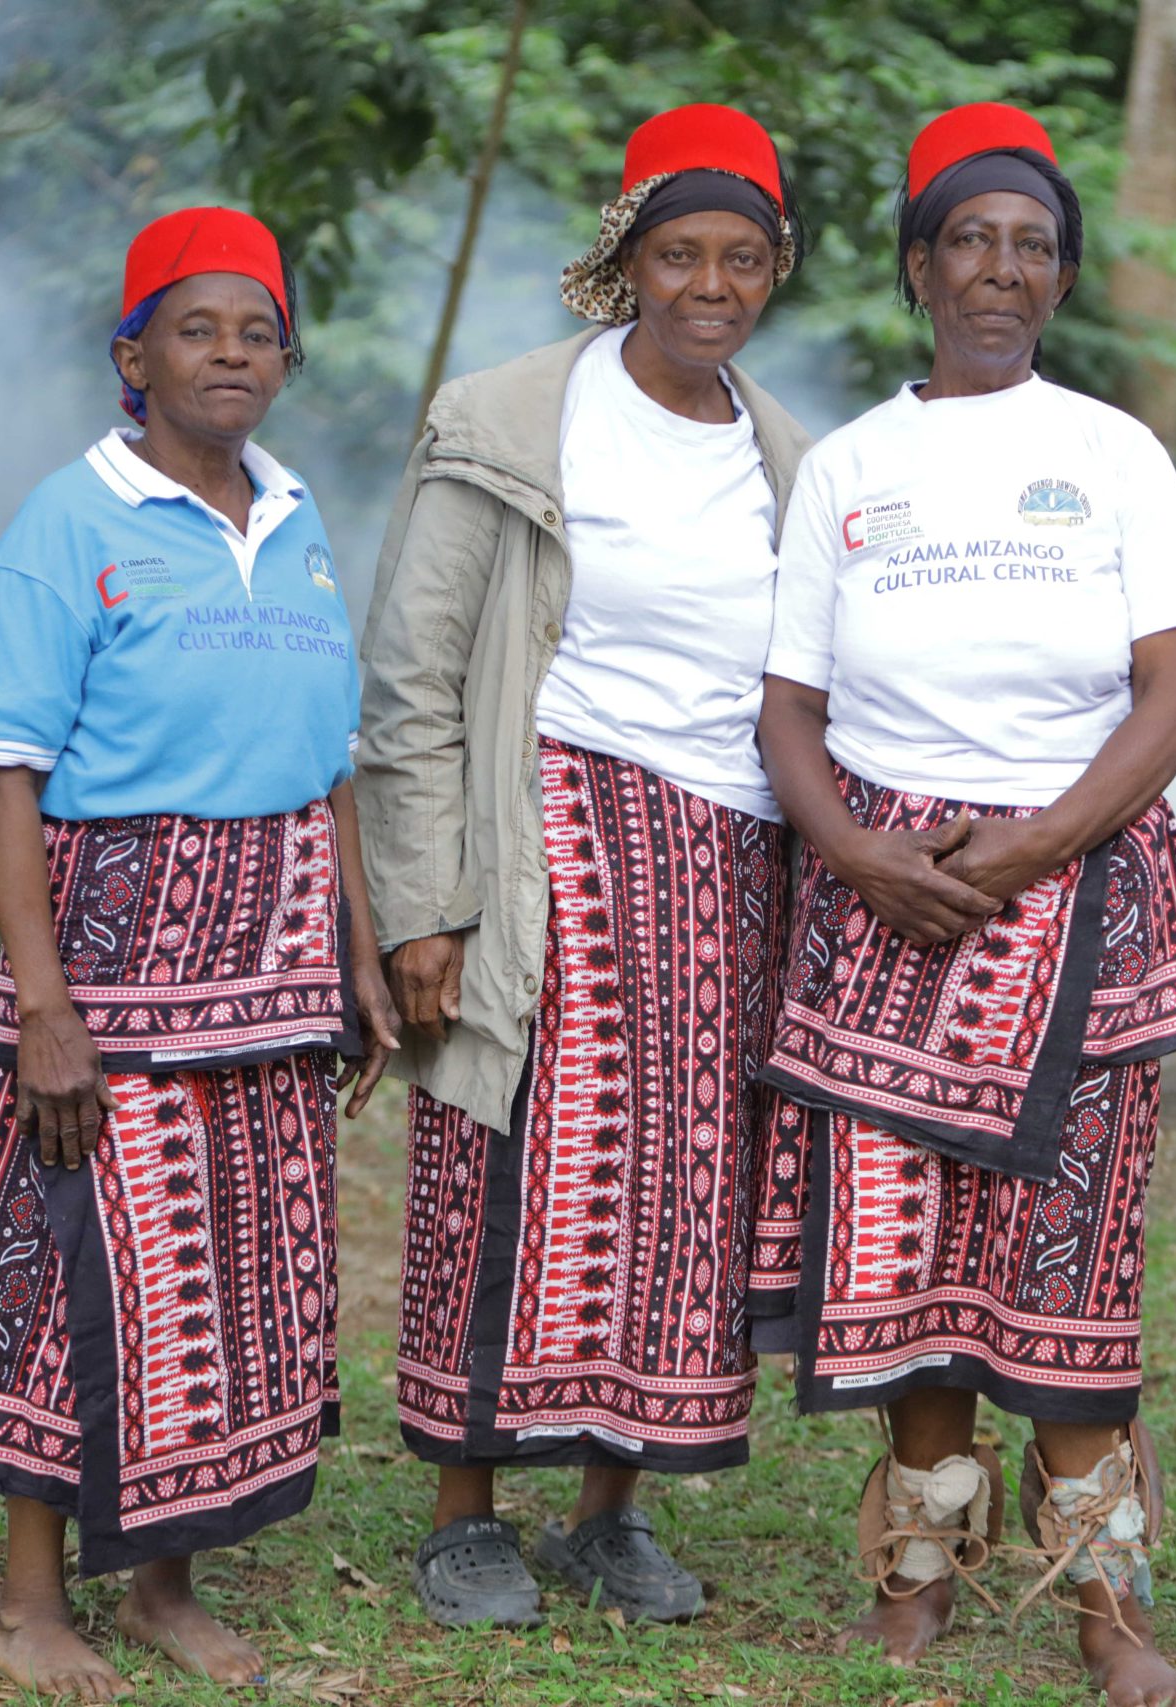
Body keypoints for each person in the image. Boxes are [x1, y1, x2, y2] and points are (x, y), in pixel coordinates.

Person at [750, 102, 1176, 1707]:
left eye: (1033, 245)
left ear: (1063, 279)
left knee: (1073, 1257)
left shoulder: (1112, 452)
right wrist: (858, 855)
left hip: (1079, 893)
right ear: (919, 267)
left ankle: (1107, 1600)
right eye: (971, 239)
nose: (1001, 270)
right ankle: (920, 1565)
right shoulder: (849, 466)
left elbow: (1175, 693)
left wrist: (1036, 847)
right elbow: (789, 708)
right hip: (885, 899)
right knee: (902, 1256)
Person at [354, 104, 812, 1631]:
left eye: (741, 257)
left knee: (679, 1192)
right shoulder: (507, 419)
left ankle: (612, 1507)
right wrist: (426, 900)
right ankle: (466, 1514)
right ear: (627, 260)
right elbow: (412, 672)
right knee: (501, 1166)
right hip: (539, 836)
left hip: (725, 863)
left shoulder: (790, 458)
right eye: (679, 253)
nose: (710, 284)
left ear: (775, 270)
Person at [0, 207, 400, 1701]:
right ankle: (29, 1600)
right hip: (113, 957)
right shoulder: (64, 525)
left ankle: (163, 1583)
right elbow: (5, 772)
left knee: (230, 1279)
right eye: (196, 329)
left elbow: (330, 762)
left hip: (272, 958)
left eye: (258, 332)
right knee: (71, 1262)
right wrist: (47, 1008)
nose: (231, 355)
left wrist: (356, 950)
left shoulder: (297, 515)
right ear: (132, 356)